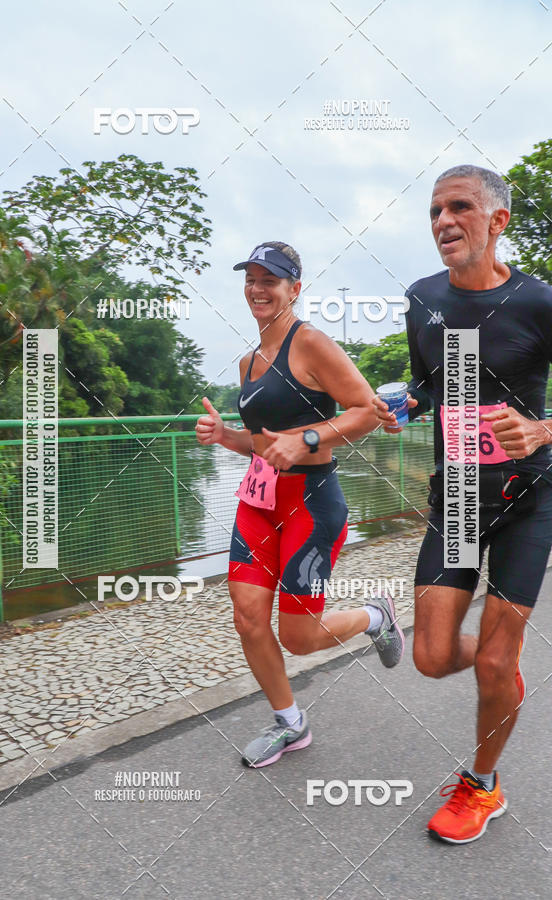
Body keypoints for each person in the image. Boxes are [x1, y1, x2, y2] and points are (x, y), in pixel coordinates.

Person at [374, 165, 552, 843]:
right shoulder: (424, 299)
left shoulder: (538, 302)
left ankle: (482, 785)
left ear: (497, 221)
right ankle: (500, 677)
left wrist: (541, 428)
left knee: (496, 661)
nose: (443, 221)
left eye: (459, 208)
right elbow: (432, 383)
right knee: (431, 654)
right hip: (458, 503)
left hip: (528, 499)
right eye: (434, 211)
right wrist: (407, 406)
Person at [196, 241, 405, 767]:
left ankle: (374, 616)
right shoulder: (248, 362)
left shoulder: (310, 343)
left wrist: (308, 440)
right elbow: (262, 441)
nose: (257, 288)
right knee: (247, 619)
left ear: (295, 288)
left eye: (271, 279)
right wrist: (224, 435)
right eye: (251, 279)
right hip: (258, 501)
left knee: (301, 638)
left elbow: (366, 412)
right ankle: (290, 723)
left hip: (311, 503)